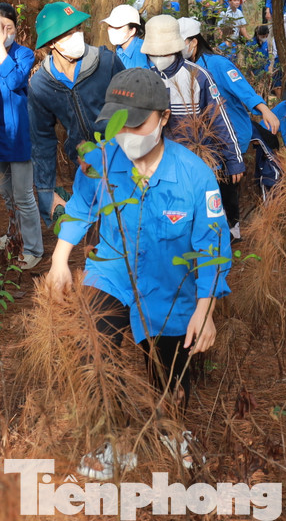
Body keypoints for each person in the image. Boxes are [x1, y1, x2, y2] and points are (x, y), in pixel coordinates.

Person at [45, 69, 230, 479]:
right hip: (111, 272)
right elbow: (80, 206)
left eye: (138, 123)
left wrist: (206, 309)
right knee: (95, 348)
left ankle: (169, 427)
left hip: (169, 288)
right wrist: (60, 259)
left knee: (165, 378)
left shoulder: (194, 177)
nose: (127, 134)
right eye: (119, 123)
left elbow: (213, 249)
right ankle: (109, 437)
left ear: (164, 118)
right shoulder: (103, 159)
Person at [181, 18, 281, 238]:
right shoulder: (182, 68)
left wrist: (265, 110)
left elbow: (243, 89)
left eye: (183, 41)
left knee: (225, 178)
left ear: (194, 42)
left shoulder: (218, 64)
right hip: (202, 136)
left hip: (232, 131)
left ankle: (233, 228)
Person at [26, 2, 123, 228]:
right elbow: (41, 141)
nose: (76, 35)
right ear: (51, 43)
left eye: (77, 29)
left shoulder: (105, 62)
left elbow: (132, 109)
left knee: (132, 228)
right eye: (67, 33)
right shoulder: (41, 85)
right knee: (101, 232)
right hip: (84, 166)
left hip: (122, 158)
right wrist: (46, 191)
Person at [140, 16, 245, 206]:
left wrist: (233, 159)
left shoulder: (198, 76)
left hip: (198, 161)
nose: (158, 57)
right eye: (154, 53)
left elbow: (220, 119)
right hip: (160, 166)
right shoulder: (145, 79)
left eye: (163, 52)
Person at [0, 4, 44, 270]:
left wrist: (0, 47)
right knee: (6, 194)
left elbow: (15, 81)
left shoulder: (24, 54)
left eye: (9, 28)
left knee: (24, 195)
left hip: (17, 136)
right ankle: (14, 235)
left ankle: (34, 248)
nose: (4, 33)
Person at [102, 4, 148, 70]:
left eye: (118, 27)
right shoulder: (119, 49)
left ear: (132, 31)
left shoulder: (141, 52)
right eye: (110, 25)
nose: (112, 29)